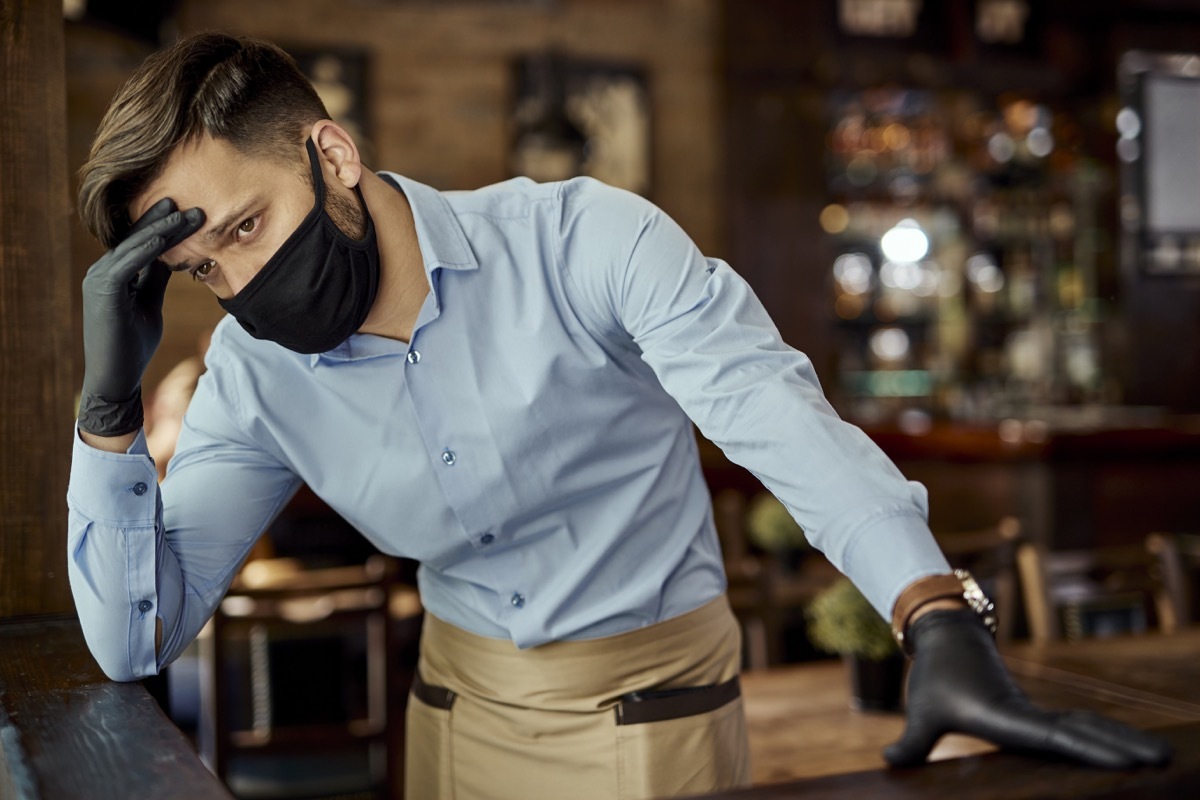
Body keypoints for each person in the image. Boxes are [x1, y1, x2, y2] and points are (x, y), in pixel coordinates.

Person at [67, 32, 1169, 800]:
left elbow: (775, 414)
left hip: (655, 720)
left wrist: (933, 610)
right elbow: (133, 638)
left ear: (332, 155)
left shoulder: (584, 242)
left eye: (247, 228)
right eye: (204, 269)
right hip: (452, 724)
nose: (241, 284)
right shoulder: (255, 372)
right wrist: (107, 411)